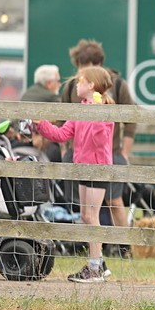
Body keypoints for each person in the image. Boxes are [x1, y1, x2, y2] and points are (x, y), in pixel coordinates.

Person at [34, 66, 116, 283]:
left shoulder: (106, 109)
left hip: (97, 168)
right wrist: (41, 124)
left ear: (91, 85)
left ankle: (95, 267)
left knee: (92, 216)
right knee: (86, 216)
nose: (77, 84)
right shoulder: (81, 109)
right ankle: (97, 262)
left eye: (81, 81)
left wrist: (97, 115)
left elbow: (101, 139)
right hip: (82, 166)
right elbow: (62, 134)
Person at [60, 40, 136, 243]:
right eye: (80, 65)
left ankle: (125, 246)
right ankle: (92, 248)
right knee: (82, 207)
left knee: (114, 201)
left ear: (98, 64)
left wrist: (124, 152)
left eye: (86, 65)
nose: (80, 71)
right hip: (80, 152)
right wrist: (64, 149)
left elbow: (131, 120)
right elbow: (61, 118)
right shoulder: (71, 87)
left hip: (110, 153)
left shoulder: (117, 85)